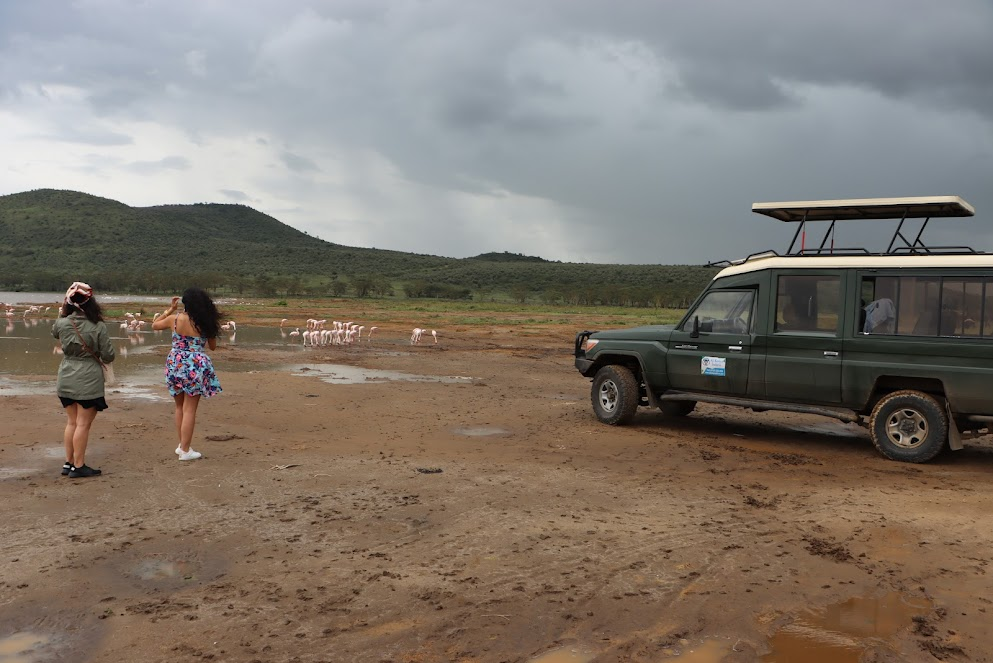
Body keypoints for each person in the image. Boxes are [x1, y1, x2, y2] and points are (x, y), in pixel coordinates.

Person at [52, 282, 115, 478]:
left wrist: (64, 308)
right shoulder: (98, 326)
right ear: (91, 303)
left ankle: (68, 463)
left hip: (66, 374)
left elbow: (55, 332)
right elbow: (108, 356)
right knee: (82, 424)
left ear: (69, 302)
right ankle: (79, 466)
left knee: (72, 422)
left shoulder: (62, 323)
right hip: (88, 377)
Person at [152, 288, 223, 461]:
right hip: (195, 366)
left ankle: (182, 445)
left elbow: (154, 324)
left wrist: (170, 310)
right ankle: (185, 450)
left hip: (175, 362)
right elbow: (212, 347)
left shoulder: (174, 319)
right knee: (189, 409)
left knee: (179, 407)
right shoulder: (206, 322)